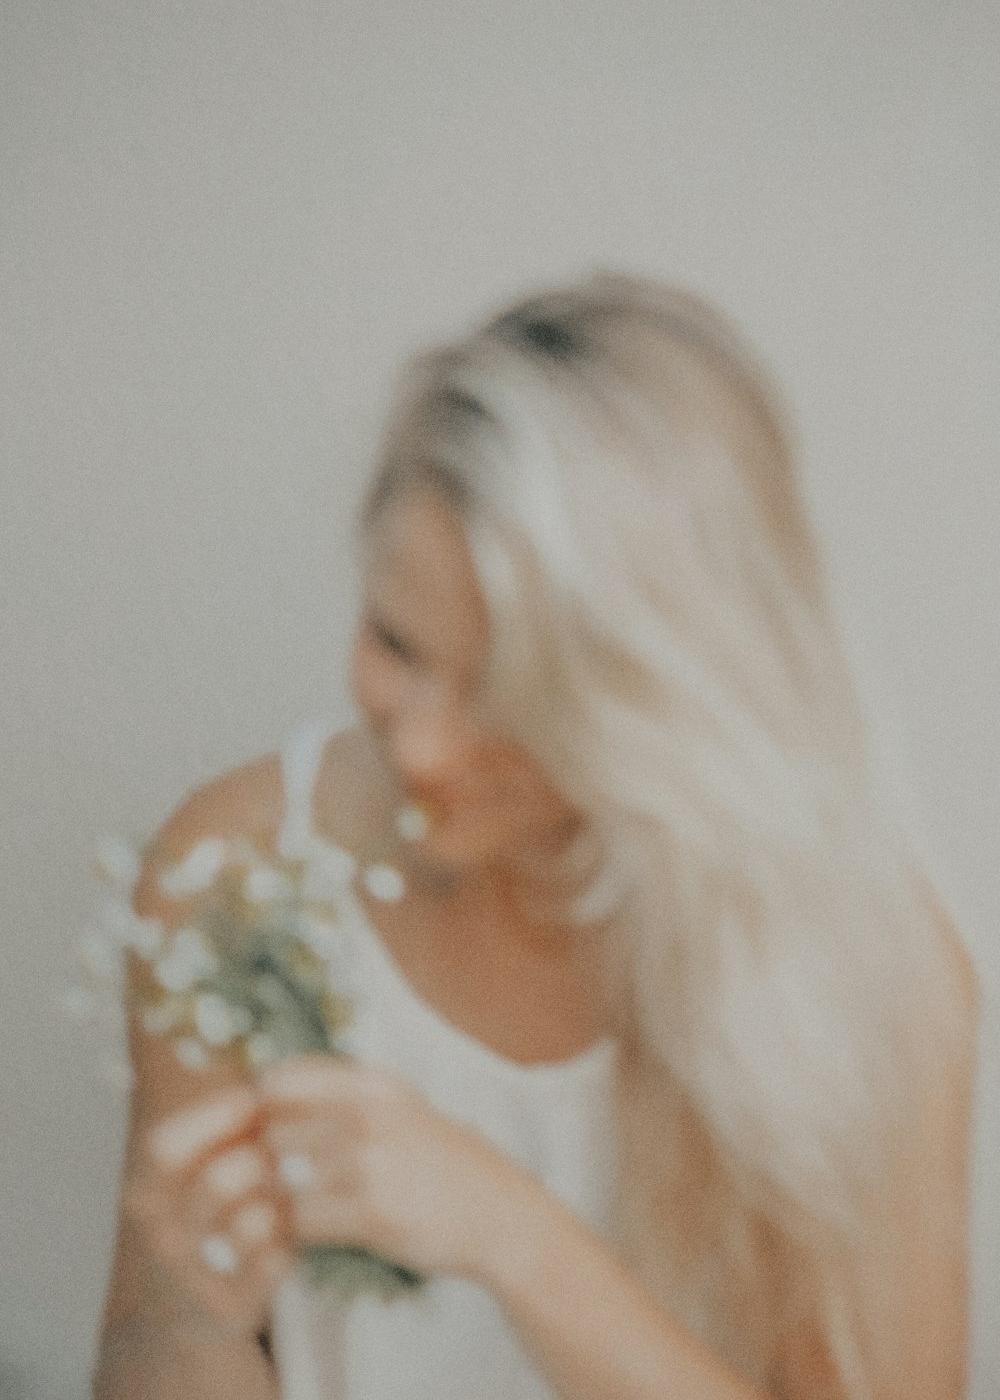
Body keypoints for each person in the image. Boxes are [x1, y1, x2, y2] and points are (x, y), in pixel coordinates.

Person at [93, 273, 978, 1400]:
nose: (420, 749)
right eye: (395, 643)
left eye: (511, 698)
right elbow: (153, 1338)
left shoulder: (879, 985)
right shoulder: (231, 869)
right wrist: (200, 1319)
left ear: (667, 696)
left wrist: (513, 1238)